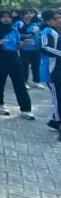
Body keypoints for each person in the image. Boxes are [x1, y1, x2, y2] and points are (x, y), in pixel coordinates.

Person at [0, 11, 35, 119]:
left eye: (8, 17)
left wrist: (24, 43)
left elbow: (18, 46)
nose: (7, 19)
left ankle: (26, 109)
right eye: (3, 17)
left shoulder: (13, 30)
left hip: (13, 58)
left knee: (20, 83)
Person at [39, 10, 61, 140]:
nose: (59, 20)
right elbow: (44, 47)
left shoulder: (58, 31)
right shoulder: (48, 32)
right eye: (56, 18)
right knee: (58, 97)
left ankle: (54, 120)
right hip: (52, 71)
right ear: (48, 21)